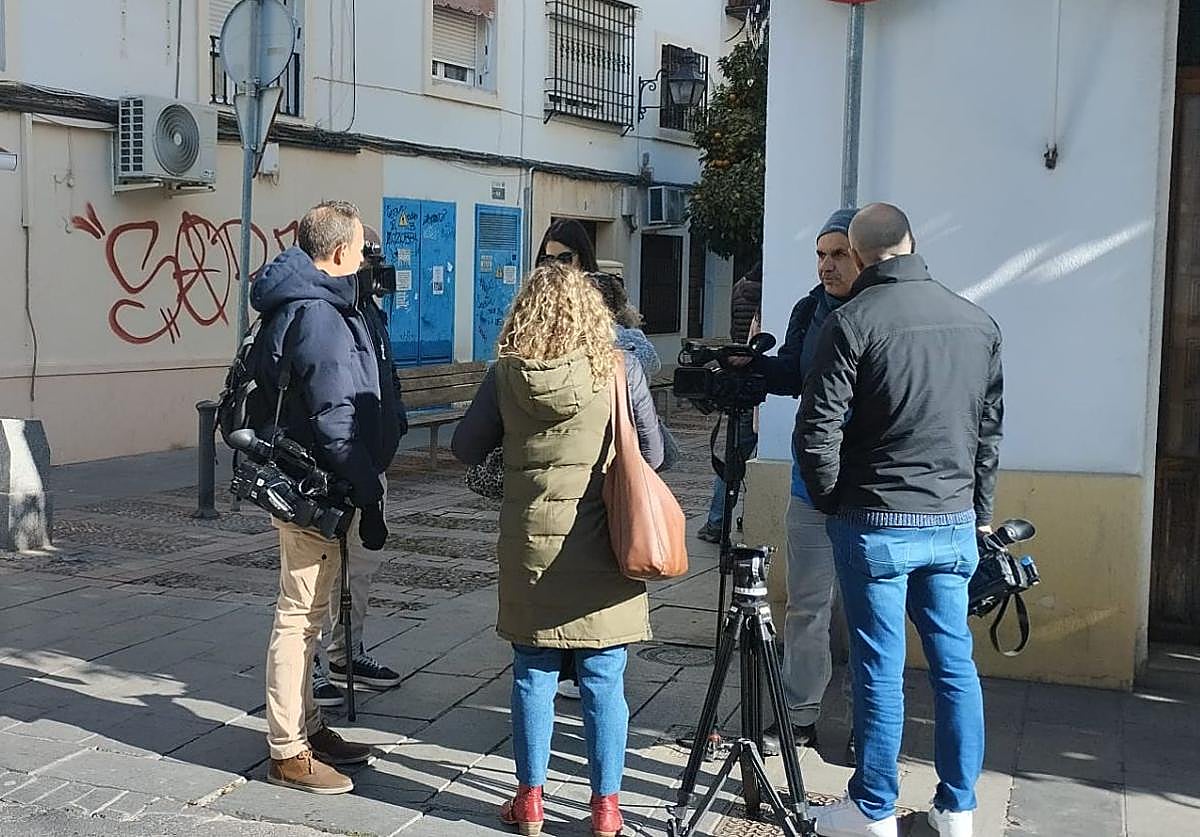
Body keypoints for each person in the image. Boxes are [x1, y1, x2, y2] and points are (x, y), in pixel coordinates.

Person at [798, 203, 1003, 837]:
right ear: (912, 243)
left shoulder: (852, 321)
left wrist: (833, 504)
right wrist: (979, 515)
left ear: (858, 255)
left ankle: (873, 808)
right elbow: (988, 435)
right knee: (954, 666)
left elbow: (816, 431)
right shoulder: (977, 321)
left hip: (877, 520)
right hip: (951, 519)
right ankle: (958, 808)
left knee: (879, 667)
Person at [451, 263, 664, 837]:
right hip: (603, 542)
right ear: (594, 313)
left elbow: (464, 446)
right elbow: (654, 455)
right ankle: (607, 808)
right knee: (604, 676)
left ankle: (530, 802)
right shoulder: (619, 368)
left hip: (531, 543)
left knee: (532, 673)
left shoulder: (507, 373)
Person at [250, 200, 401, 795]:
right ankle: (288, 750)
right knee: (298, 617)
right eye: (362, 250)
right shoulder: (318, 314)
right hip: (315, 486)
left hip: (320, 482)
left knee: (311, 616)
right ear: (340, 252)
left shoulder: (317, 303)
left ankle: (308, 726)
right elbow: (335, 419)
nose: (367, 260)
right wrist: (367, 489)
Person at [746, 209, 859, 761]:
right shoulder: (810, 308)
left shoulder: (883, 313)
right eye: (820, 254)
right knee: (807, 606)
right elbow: (792, 373)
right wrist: (750, 367)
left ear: (866, 256)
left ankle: (869, 722)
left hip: (869, 488)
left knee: (866, 613)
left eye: (839, 254)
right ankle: (799, 717)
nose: (826, 265)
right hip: (810, 481)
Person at [311, 224, 406, 709]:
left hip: (371, 462)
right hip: (325, 472)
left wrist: (396, 424)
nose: (376, 269)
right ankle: (310, 664)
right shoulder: (321, 311)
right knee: (315, 575)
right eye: (369, 259)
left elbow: (384, 376)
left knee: (360, 569)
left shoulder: (369, 311)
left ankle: (348, 652)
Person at [697, 263, 763, 544]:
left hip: (740, 378)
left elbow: (735, 330)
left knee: (732, 458)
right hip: (761, 377)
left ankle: (716, 522)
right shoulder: (771, 292)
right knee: (750, 457)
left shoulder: (740, 288)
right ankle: (738, 519)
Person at [536, 217, 600, 272]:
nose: (557, 266)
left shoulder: (598, 281)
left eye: (564, 259)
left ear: (581, 258)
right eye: (550, 260)